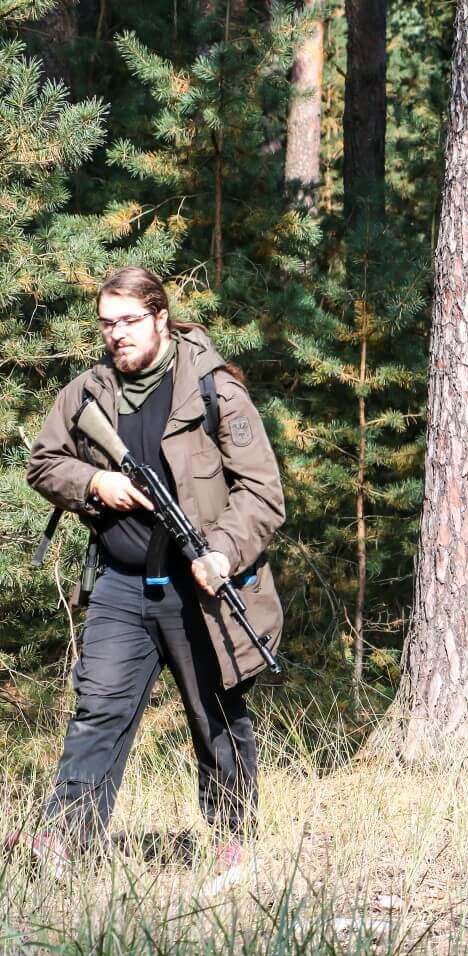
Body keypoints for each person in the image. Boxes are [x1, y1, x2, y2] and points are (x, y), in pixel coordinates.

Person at [21, 266, 285, 872]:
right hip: (120, 583)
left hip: (202, 586)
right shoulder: (86, 394)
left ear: (160, 317)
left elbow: (263, 492)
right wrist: (94, 480)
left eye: (130, 320)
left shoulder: (215, 391)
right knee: (99, 710)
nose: (118, 335)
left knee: (215, 712)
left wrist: (220, 549)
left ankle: (232, 842)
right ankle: (64, 841)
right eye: (108, 324)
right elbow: (43, 462)